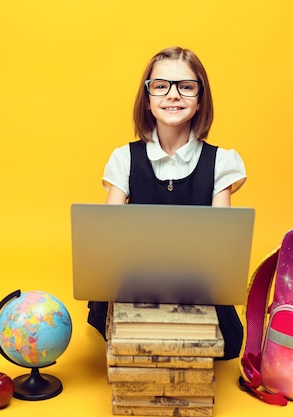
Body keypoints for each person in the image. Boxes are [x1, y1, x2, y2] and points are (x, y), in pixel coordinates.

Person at [87, 46, 247, 360]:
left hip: (199, 286)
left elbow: (222, 245)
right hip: (135, 282)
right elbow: (106, 239)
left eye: (186, 87)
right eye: (161, 86)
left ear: (200, 100)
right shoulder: (124, 158)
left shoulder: (222, 161)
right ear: (147, 100)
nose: (173, 95)